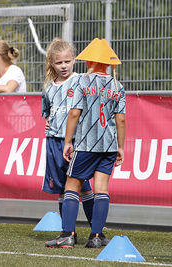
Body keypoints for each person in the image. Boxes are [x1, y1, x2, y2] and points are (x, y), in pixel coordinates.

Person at [45, 38, 126, 248]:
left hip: (86, 145)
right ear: (108, 63)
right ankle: (96, 236)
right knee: (102, 189)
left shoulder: (83, 82)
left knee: (72, 185)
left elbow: (74, 113)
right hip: (108, 146)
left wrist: (68, 141)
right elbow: (121, 119)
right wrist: (120, 146)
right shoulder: (117, 85)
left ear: (89, 61)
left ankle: (67, 235)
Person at [41, 38, 97, 243]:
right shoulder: (48, 87)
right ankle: (68, 232)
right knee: (63, 188)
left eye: (67, 61)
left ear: (74, 60)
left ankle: (97, 231)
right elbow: (47, 111)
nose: (63, 66)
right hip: (54, 142)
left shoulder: (81, 80)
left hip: (76, 141)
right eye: (58, 63)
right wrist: (48, 123)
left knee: (83, 186)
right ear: (51, 64)